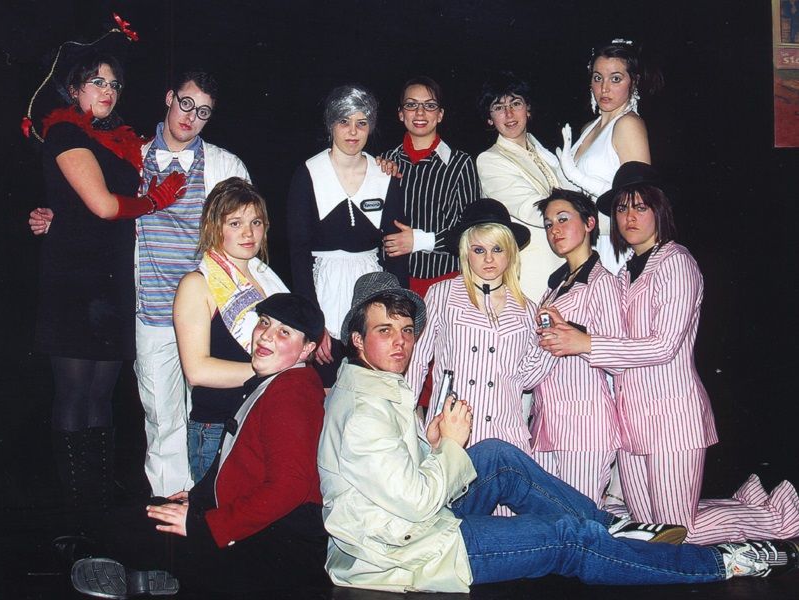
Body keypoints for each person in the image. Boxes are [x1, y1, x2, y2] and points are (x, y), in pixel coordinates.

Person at [317, 271, 799, 593]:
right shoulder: (365, 412)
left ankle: (613, 526)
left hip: (406, 525)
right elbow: (417, 500)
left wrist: (440, 445)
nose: (401, 341)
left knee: (497, 455)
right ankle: (723, 562)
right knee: (568, 538)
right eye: (385, 331)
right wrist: (450, 448)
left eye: (406, 330)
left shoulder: (375, 384)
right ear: (357, 338)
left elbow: (400, 478)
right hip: (402, 552)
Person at [540, 162, 799, 544]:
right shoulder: (625, 274)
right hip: (631, 420)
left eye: (640, 207)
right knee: (651, 531)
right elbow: (618, 345)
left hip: (673, 417)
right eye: (622, 208)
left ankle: (777, 519)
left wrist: (586, 343)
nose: (629, 217)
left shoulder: (677, 262)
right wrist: (577, 333)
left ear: (660, 209)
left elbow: (663, 345)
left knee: (679, 531)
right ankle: (745, 505)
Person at [31, 70, 250, 497]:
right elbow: (98, 202)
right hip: (150, 313)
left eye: (203, 112)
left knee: (212, 418)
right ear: (169, 98)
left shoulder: (226, 166)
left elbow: (247, 239)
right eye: (185, 104)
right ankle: (168, 504)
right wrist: (59, 218)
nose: (190, 117)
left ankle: (209, 504)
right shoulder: (133, 156)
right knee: (161, 420)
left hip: (208, 317)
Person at [69, 293, 330, 598]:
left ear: (307, 349)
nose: (266, 336)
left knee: (123, 530)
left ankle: (127, 566)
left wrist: (206, 526)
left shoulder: (292, 394)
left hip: (276, 550)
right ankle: (141, 571)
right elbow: (245, 464)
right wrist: (198, 498)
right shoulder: (281, 382)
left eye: (284, 332)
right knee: (144, 515)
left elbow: (290, 487)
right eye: (264, 323)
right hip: (266, 535)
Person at [32, 34, 186, 509]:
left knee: (102, 393)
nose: (107, 91)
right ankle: (75, 500)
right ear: (74, 88)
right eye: (97, 82)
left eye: (114, 84)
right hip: (76, 278)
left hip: (113, 276)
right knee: (75, 393)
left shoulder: (117, 140)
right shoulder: (65, 132)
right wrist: (154, 201)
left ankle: (96, 491)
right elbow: (100, 206)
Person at [406, 198, 555, 457]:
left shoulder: (527, 309)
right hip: (451, 433)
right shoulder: (442, 294)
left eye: (497, 249)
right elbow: (417, 361)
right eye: (478, 250)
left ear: (510, 253)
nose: (488, 259)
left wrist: (549, 344)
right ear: (466, 252)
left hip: (507, 435)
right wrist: (407, 422)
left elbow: (526, 380)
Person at [287, 84, 408, 386]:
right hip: (322, 291)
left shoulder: (384, 175)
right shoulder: (308, 173)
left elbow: (395, 253)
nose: (353, 132)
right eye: (344, 121)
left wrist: (397, 316)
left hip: (371, 292)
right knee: (325, 390)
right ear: (331, 125)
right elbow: (298, 253)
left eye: (361, 123)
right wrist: (314, 323)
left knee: (373, 387)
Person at [173, 178, 287, 482]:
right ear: (214, 227)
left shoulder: (268, 278)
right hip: (219, 429)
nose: (248, 233)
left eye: (255, 222)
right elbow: (197, 371)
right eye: (235, 223)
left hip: (266, 421)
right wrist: (275, 372)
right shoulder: (196, 285)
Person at [528, 189, 624, 503]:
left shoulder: (602, 283)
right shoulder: (554, 288)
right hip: (547, 426)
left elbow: (619, 359)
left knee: (580, 521)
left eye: (563, 219)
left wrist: (578, 338)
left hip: (585, 427)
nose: (554, 230)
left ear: (589, 223)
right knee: (549, 520)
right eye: (548, 224)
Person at [557, 39, 659, 276]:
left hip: (615, 244)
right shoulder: (587, 128)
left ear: (633, 82)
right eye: (597, 78)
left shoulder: (628, 124)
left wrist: (577, 177)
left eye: (615, 79)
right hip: (584, 246)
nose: (604, 88)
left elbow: (638, 202)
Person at [380, 76, 479, 297]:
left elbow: (470, 230)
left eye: (430, 105)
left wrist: (420, 241)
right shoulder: (384, 162)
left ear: (440, 114)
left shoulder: (460, 163)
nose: (420, 112)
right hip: (392, 282)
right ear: (401, 113)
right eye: (411, 105)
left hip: (446, 282)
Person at [476, 72, 570, 301]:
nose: (509, 114)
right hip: (534, 275)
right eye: (499, 107)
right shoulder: (490, 160)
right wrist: (582, 214)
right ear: (489, 119)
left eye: (515, 103)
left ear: (528, 109)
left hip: (567, 265)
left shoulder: (543, 152)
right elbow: (532, 209)